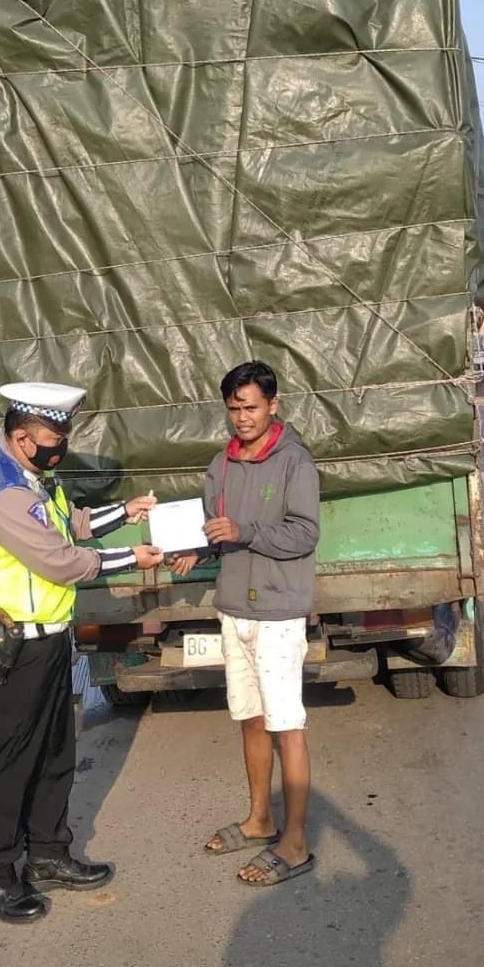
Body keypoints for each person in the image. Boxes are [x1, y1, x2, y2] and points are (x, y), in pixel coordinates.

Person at [0, 381, 163, 924]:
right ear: (21, 437)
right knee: (5, 765)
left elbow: (69, 525)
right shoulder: (1, 489)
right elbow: (62, 561)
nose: (62, 444)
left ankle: (48, 855)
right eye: (55, 435)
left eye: (65, 434)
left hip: (46, 641)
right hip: (5, 651)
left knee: (54, 753)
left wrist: (126, 511)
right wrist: (130, 560)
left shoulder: (35, 476)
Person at [170, 361, 320, 887]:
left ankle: (296, 843)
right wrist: (194, 547)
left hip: (279, 611)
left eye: (251, 407)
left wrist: (245, 529)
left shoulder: (295, 462)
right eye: (234, 408)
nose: (242, 418)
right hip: (234, 606)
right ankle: (260, 819)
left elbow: (304, 533)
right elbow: (216, 528)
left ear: (273, 405)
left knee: (286, 726)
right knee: (250, 718)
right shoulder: (221, 464)